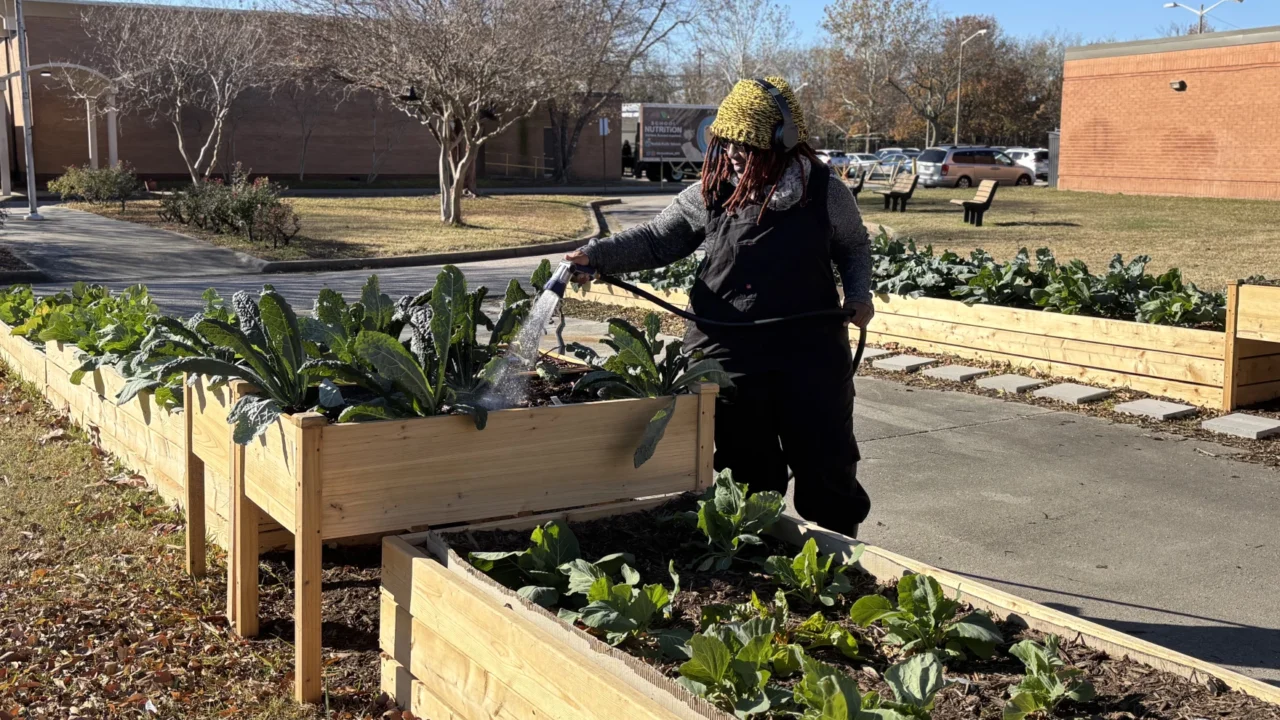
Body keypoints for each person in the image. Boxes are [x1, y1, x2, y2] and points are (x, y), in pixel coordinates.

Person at [567, 77, 874, 536]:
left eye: (744, 145)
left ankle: (843, 562)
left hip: (811, 352)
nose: (731, 153)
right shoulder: (710, 192)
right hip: (726, 355)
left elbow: (854, 246)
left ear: (781, 141)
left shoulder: (826, 192)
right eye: (725, 141)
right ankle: (756, 558)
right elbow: (656, 239)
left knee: (827, 462)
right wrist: (598, 255)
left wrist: (859, 294)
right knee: (745, 471)